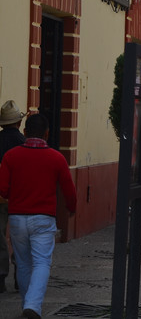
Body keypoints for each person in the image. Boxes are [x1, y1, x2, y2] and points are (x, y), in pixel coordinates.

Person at [0, 114, 77, 319]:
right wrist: (71, 207)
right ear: (47, 134)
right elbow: (69, 191)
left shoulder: (11, 156)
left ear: (24, 133)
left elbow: (3, 189)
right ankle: (32, 306)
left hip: (17, 218)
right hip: (43, 218)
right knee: (42, 262)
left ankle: (28, 304)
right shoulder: (57, 158)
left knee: (24, 264)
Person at [0, 100, 26, 294]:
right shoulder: (23, 142)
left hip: (0, 196)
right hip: (19, 197)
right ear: (19, 122)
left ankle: (0, 276)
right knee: (19, 236)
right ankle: (20, 275)